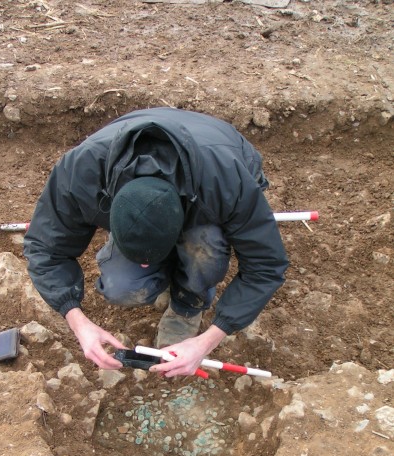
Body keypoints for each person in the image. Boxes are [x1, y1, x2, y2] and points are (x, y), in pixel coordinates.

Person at [23, 107, 289, 378]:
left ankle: (188, 304)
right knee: (121, 286)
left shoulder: (228, 182)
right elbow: (44, 249)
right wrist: (78, 322)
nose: (146, 264)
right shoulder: (81, 173)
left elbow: (266, 265)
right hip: (135, 167)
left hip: (217, 153)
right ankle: (160, 261)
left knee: (206, 245)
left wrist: (206, 341)